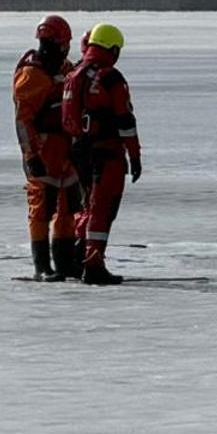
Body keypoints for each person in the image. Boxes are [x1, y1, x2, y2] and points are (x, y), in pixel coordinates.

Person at [61, 22, 142, 286]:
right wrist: (135, 156)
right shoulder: (110, 77)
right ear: (113, 48)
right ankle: (93, 263)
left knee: (88, 205)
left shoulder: (74, 75)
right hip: (107, 151)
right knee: (103, 207)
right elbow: (125, 121)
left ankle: (80, 255)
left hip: (79, 151)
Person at [13, 16, 82, 281]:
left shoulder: (64, 69)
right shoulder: (32, 75)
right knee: (41, 207)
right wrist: (31, 156)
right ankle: (42, 266)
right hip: (42, 150)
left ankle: (65, 263)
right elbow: (23, 120)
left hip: (66, 148)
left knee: (69, 205)